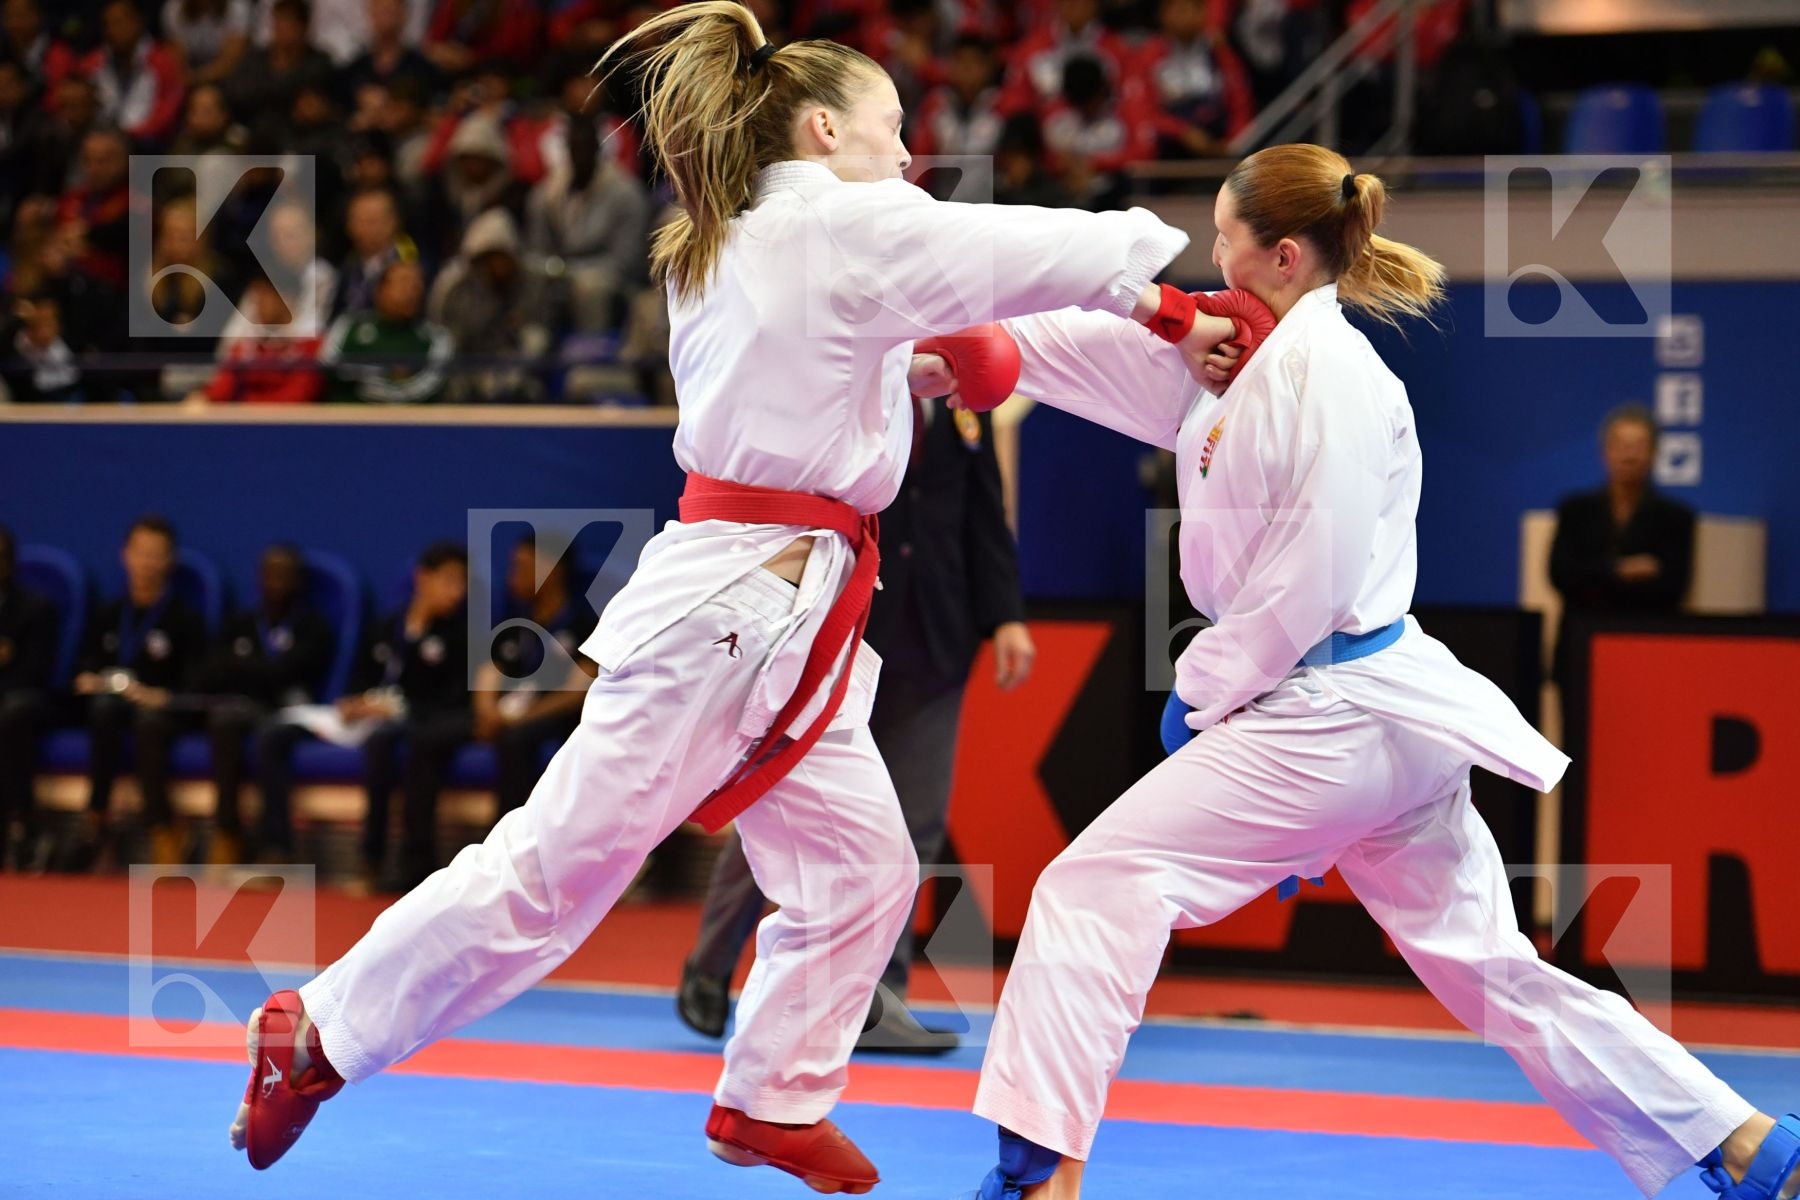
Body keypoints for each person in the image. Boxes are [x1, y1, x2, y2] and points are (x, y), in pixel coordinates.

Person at [229, 4, 1203, 1191]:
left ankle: (771, 1096)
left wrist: (929, 361)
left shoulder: (745, 234)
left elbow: (844, 359)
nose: (909, 159)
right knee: (555, 875)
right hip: (735, 605)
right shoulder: (840, 221)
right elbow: (1030, 249)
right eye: (894, 131)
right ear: (823, 125)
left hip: (797, 608)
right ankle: (317, 1032)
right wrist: (1164, 292)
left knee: (865, 873)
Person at [961, 144, 1800, 1200]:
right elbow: (1072, 352)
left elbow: (1310, 580)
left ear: (1279, 254)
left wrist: (1204, 691)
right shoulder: (1240, 359)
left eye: (1223, 237)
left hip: (1329, 706)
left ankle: (1039, 1176)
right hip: (1364, 719)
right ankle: (1746, 1143)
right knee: (1495, 972)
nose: (1211, 256)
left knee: (1093, 888)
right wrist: (941, 316)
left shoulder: (1333, 375)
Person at [678, 387, 1034, 1054]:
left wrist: (1006, 615)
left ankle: (873, 998)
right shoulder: (847, 373)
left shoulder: (963, 391)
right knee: (783, 806)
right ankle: (711, 961)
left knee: (912, 822)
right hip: (838, 626)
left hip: (936, 633)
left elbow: (983, 513)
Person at [250, 541, 466, 882]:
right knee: (274, 733)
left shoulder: (459, 636)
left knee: (382, 742)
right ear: (422, 578)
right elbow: (359, 677)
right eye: (450, 581)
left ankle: (371, 859)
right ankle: (277, 848)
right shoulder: (388, 626)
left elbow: (451, 702)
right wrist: (354, 702)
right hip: (361, 718)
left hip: (405, 723)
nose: (458, 592)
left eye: (463, 584)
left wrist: (396, 707)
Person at [59, 515, 208, 871]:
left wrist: (160, 694)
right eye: (140, 553)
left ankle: (163, 829)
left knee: (148, 723)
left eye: (155, 555)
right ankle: (96, 818)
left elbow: (197, 683)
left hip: (160, 712)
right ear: (125, 555)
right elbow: (83, 665)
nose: (146, 563)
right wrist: (88, 679)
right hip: (113, 704)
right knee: (103, 710)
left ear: (169, 561)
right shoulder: (110, 612)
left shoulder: (184, 618)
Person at [186, 543, 333, 864]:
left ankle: (276, 846)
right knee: (224, 720)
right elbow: (210, 672)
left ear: (299, 582)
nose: (276, 582)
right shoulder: (242, 622)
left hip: (297, 714)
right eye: (270, 574)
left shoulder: (313, 626)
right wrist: (255, 669)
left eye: (285, 575)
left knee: (270, 734)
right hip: (243, 709)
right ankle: (227, 832)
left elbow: (286, 671)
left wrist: (243, 665)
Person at [1548, 403, 1696, 685]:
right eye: (1621, 445)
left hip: (1646, 649)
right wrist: (1620, 571)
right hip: (1580, 649)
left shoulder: (1676, 517)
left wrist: (1594, 576)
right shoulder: (1575, 510)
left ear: (1654, 453)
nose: (1629, 454)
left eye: (1638, 445)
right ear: (1605, 451)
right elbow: (1562, 574)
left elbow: (1673, 587)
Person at [473, 535, 596, 820]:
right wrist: (487, 712)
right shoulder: (513, 622)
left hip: (554, 719)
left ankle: (507, 840)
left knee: (516, 739)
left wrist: (519, 718)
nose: (513, 576)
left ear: (553, 569)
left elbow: (575, 695)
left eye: (523, 567)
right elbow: (489, 671)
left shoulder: (585, 624)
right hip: (508, 714)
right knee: (428, 735)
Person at [0, 524, 58, 870]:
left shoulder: (35, 608)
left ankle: (19, 823)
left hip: (24, 700)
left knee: (12, 713)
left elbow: (35, 673)